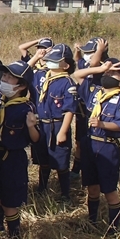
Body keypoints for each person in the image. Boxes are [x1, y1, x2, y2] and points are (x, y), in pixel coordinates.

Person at [0, 61, 40, 239]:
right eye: (4, 76)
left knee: (10, 201)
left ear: (22, 85)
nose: (4, 80)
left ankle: (14, 236)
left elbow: (35, 138)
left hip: (13, 158)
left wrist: (32, 126)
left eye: (9, 78)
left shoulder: (26, 108)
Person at [73, 59, 120, 233]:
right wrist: (101, 68)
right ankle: (92, 221)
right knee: (92, 186)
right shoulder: (96, 92)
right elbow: (77, 74)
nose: (108, 75)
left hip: (106, 146)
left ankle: (114, 229)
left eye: (114, 74)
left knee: (109, 189)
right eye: (107, 73)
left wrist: (102, 125)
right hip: (90, 143)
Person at [28, 44, 78, 203]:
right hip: (41, 124)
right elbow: (24, 73)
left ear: (66, 65)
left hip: (57, 125)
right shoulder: (41, 76)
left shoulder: (67, 83)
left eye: (56, 60)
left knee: (61, 161)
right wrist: (36, 57)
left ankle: (65, 194)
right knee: (43, 159)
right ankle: (42, 188)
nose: (50, 62)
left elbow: (69, 109)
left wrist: (63, 131)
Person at [71, 38, 109, 181]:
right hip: (82, 109)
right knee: (80, 141)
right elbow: (78, 61)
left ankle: (94, 168)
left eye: (91, 52)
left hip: (97, 112)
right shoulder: (86, 64)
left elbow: (94, 63)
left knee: (94, 142)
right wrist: (78, 51)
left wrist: (99, 50)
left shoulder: (104, 67)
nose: (88, 55)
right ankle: (76, 169)